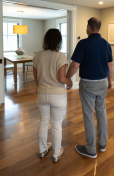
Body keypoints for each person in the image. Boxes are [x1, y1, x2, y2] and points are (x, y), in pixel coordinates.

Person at [66, 17, 113, 158]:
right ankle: (102, 145)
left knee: (88, 115)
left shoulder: (83, 43)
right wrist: (110, 81)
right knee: (101, 112)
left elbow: (75, 65)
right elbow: (110, 65)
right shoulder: (106, 44)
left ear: (88, 27)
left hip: (88, 84)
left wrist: (67, 78)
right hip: (103, 82)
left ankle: (91, 149)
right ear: (99, 27)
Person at [33, 28, 72, 163]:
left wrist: (44, 86)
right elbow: (62, 79)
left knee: (43, 122)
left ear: (46, 40)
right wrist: (70, 82)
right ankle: (56, 153)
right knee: (56, 125)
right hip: (58, 96)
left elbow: (36, 79)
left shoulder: (38, 55)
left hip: (42, 94)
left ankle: (42, 149)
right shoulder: (61, 56)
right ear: (59, 41)